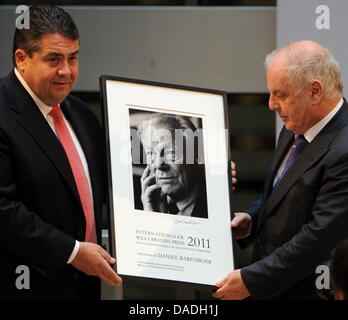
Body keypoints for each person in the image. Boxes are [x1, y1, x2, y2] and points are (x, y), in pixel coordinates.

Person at [0, 5, 121, 300]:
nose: (66, 71)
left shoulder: (80, 114)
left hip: (84, 288)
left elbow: (111, 184)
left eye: (73, 58)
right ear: (22, 59)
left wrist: (199, 174)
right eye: (54, 59)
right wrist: (72, 252)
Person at [214, 40, 348, 300]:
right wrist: (252, 218)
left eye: (280, 94)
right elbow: (280, 191)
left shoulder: (344, 149)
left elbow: (319, 237)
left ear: (315, 91)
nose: (271, 104)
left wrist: (251, 280)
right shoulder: (295, 128)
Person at [138, 113, 208, 218]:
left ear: (196, 157)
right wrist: (154, 218)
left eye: (170, 153)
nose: (158, 164)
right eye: (151, 154)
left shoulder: (216, 208)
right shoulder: (154, 207)